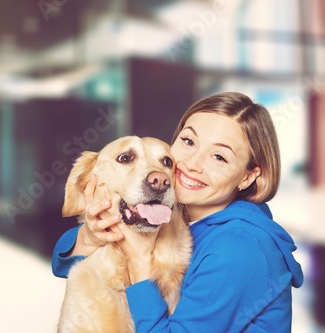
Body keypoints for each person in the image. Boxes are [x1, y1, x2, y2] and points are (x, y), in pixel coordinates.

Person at [52, 92, 304, 332]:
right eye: (188, 141)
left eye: (218, 156)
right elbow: (61, 264)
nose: (192, 164)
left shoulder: (239, 247)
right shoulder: (180, 213)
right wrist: (89, 237)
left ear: (248, 176)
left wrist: (139, 260)